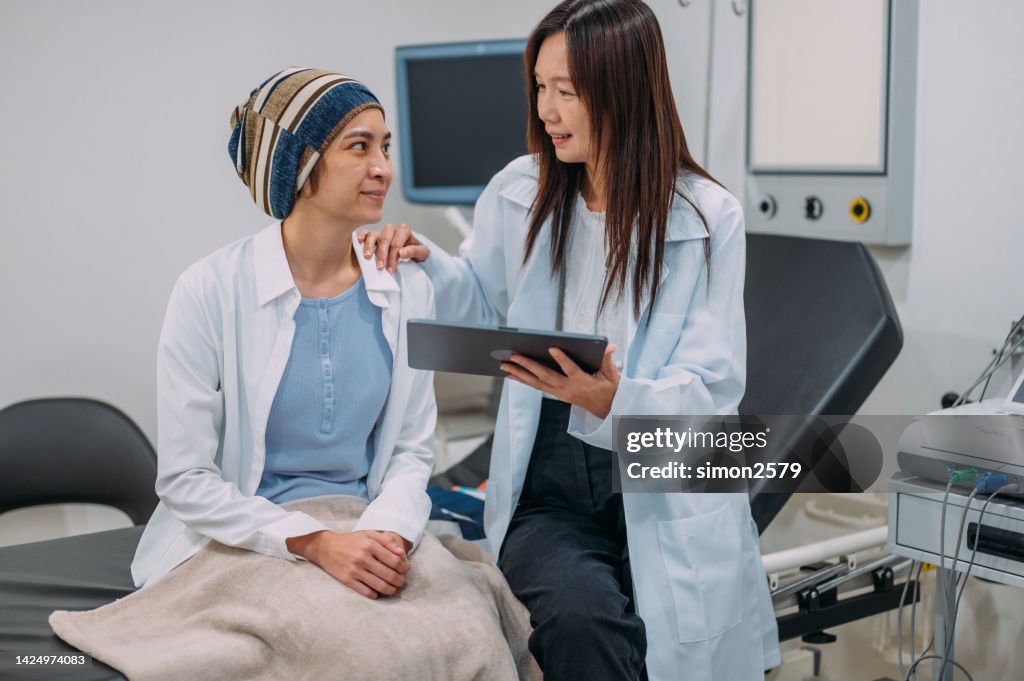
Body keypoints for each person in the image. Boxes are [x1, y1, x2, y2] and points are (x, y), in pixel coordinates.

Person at [358, 1, 780, 679]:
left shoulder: (705, 217)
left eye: (567, 93)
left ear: (623, 91)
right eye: (540, 88)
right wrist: (423, 257)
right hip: (550, 474)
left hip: (661, 463)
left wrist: (620, 397)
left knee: (672, 640)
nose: (546, 110)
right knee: (583, 620)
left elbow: (715, 387)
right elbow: (482, 302)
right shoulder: (518, 191)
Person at [131, 67, 437, 602]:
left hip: (368, 525)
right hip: (250, 535)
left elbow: (412, 452)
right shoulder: (209, 289)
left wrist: (385, 535)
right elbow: (186, 480)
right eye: (359, 147)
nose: (383, 168)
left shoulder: (407, 287)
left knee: (464, 627)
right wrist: (313, 543)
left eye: (385, 147)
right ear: (299, 164)